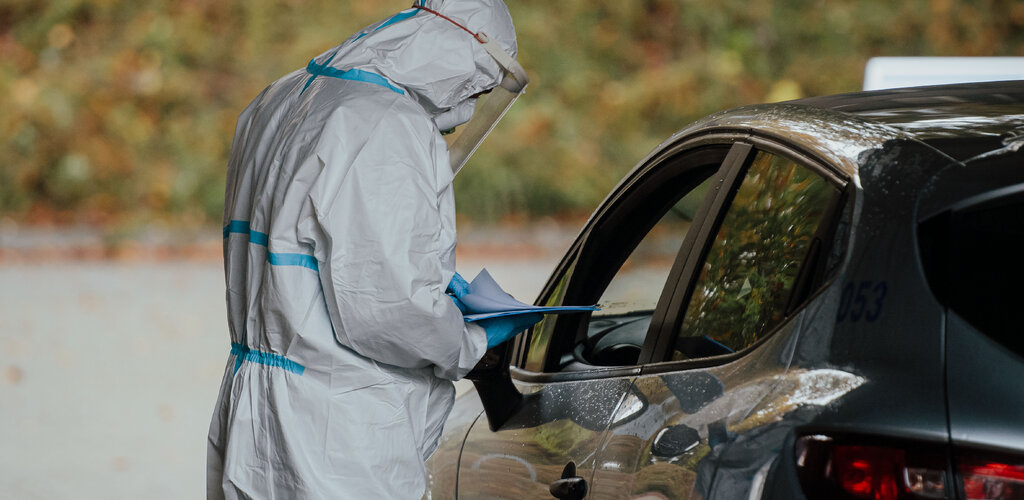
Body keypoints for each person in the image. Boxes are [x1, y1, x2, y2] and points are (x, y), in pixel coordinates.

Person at [206, 0, 538, 498]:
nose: (470, 105)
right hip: (337, 435)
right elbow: (386, 310)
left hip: (254, 414)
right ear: (459, 53)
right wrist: (473, 344)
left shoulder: (280, 98)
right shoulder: (382, 123)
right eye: (480, 84)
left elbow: (308, 257)